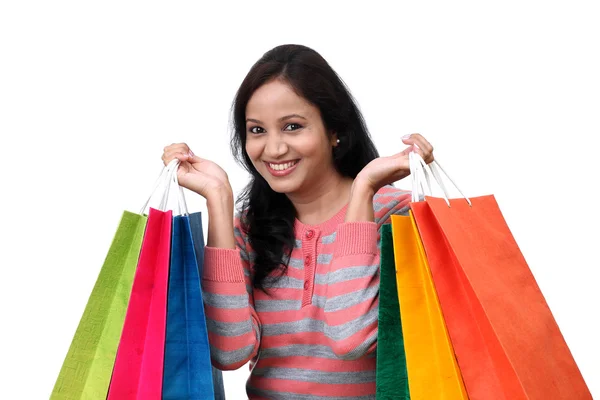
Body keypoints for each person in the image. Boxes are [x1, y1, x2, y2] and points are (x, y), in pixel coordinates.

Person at [161, 44, 435, 399]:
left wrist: (365, 188)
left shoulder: (397, 217)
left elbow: (351, 337)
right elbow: (228, 352)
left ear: (334, 130)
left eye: (292, 127)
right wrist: (218, 197)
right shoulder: (248, 227)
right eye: (257, 130)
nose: (273, 149)